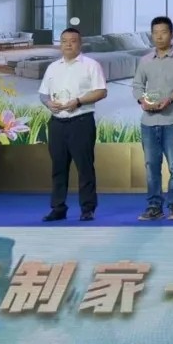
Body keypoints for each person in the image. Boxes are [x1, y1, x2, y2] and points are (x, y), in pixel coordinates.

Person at [131, 16, 173, 221]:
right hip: (149, 122)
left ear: (172, 35)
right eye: (155, 33)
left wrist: (170, 99)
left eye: (163, 32)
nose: (159, 36)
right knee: (151, 167)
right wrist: (142, 101)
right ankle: (154, 207)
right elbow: (137, 86)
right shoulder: (144, 61)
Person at [37, 27, 107, 222]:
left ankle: (87, 208)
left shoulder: (91, 65)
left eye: (73, 41)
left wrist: (78, 101)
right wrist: (48, 103)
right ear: (60, 44)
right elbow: (43, 93)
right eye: (64, 41)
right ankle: (58, 208)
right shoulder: (53, 67)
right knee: (58, 168)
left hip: (81, 122)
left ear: (80, 43)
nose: (68, 44)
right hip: (57, 123)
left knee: (85, 167)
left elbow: (101, 91)